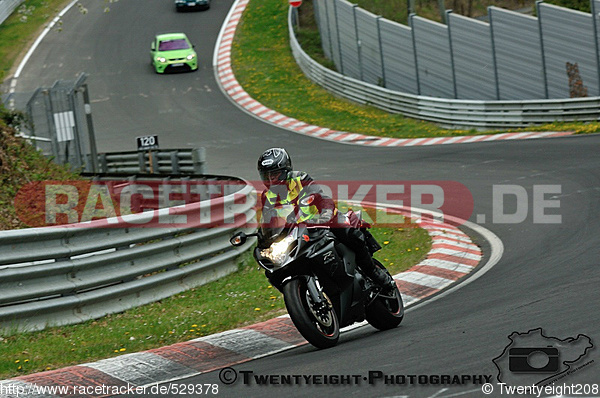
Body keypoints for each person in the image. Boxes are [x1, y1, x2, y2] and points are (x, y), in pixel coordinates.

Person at [257, 148, 395, 290]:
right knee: (273, 268)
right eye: (266, 176)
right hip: (295, 231)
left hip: (320, 221)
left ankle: (373, 271)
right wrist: (262, 237)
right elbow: (267, 219)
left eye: (274, 174)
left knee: (347, 230)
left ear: (286, 170)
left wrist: (326, 214)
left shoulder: (300, 179)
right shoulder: (266, 195)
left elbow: (322, 197)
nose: (271, 180)